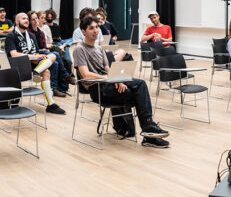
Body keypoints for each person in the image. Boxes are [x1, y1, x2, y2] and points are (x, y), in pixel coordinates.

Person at [73, 15, 170, 148]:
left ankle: (149, 130)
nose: (95, 31)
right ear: (83, 31)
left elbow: (108, 69)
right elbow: (86, 74)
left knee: (140, 84)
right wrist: (109, 79)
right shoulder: (80, 49)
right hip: (97, 88)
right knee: (138, 94)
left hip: (108, 84)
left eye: (96, 27)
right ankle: (148, 131)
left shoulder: (99, 48)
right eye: (91, 28)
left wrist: (117, 79)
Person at [5, 13, 66, 114]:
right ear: (16, 21)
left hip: (33, 65)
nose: (27, 20)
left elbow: (36, 53)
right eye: (23, 18)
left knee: (53, 55)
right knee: (46, 69)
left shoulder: (32, 36)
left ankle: (50, 105)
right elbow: (14, 54)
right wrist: (33, 57)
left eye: (27, 19)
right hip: (18, 67)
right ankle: (38, 71)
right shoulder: (11, 36)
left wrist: (38, 57)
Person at [27, 11, 75, 97]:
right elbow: (33, 49)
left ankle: (54, 88)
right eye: (33, 19)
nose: (35, 20)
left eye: (36, 18)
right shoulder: (28, 32)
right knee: (56, 54)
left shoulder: (40, 32)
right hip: (34, 58)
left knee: (55, 63)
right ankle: (66, 76)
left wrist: (46, 50)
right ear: (30, 21)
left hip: (43, 53)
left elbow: (44, 46)